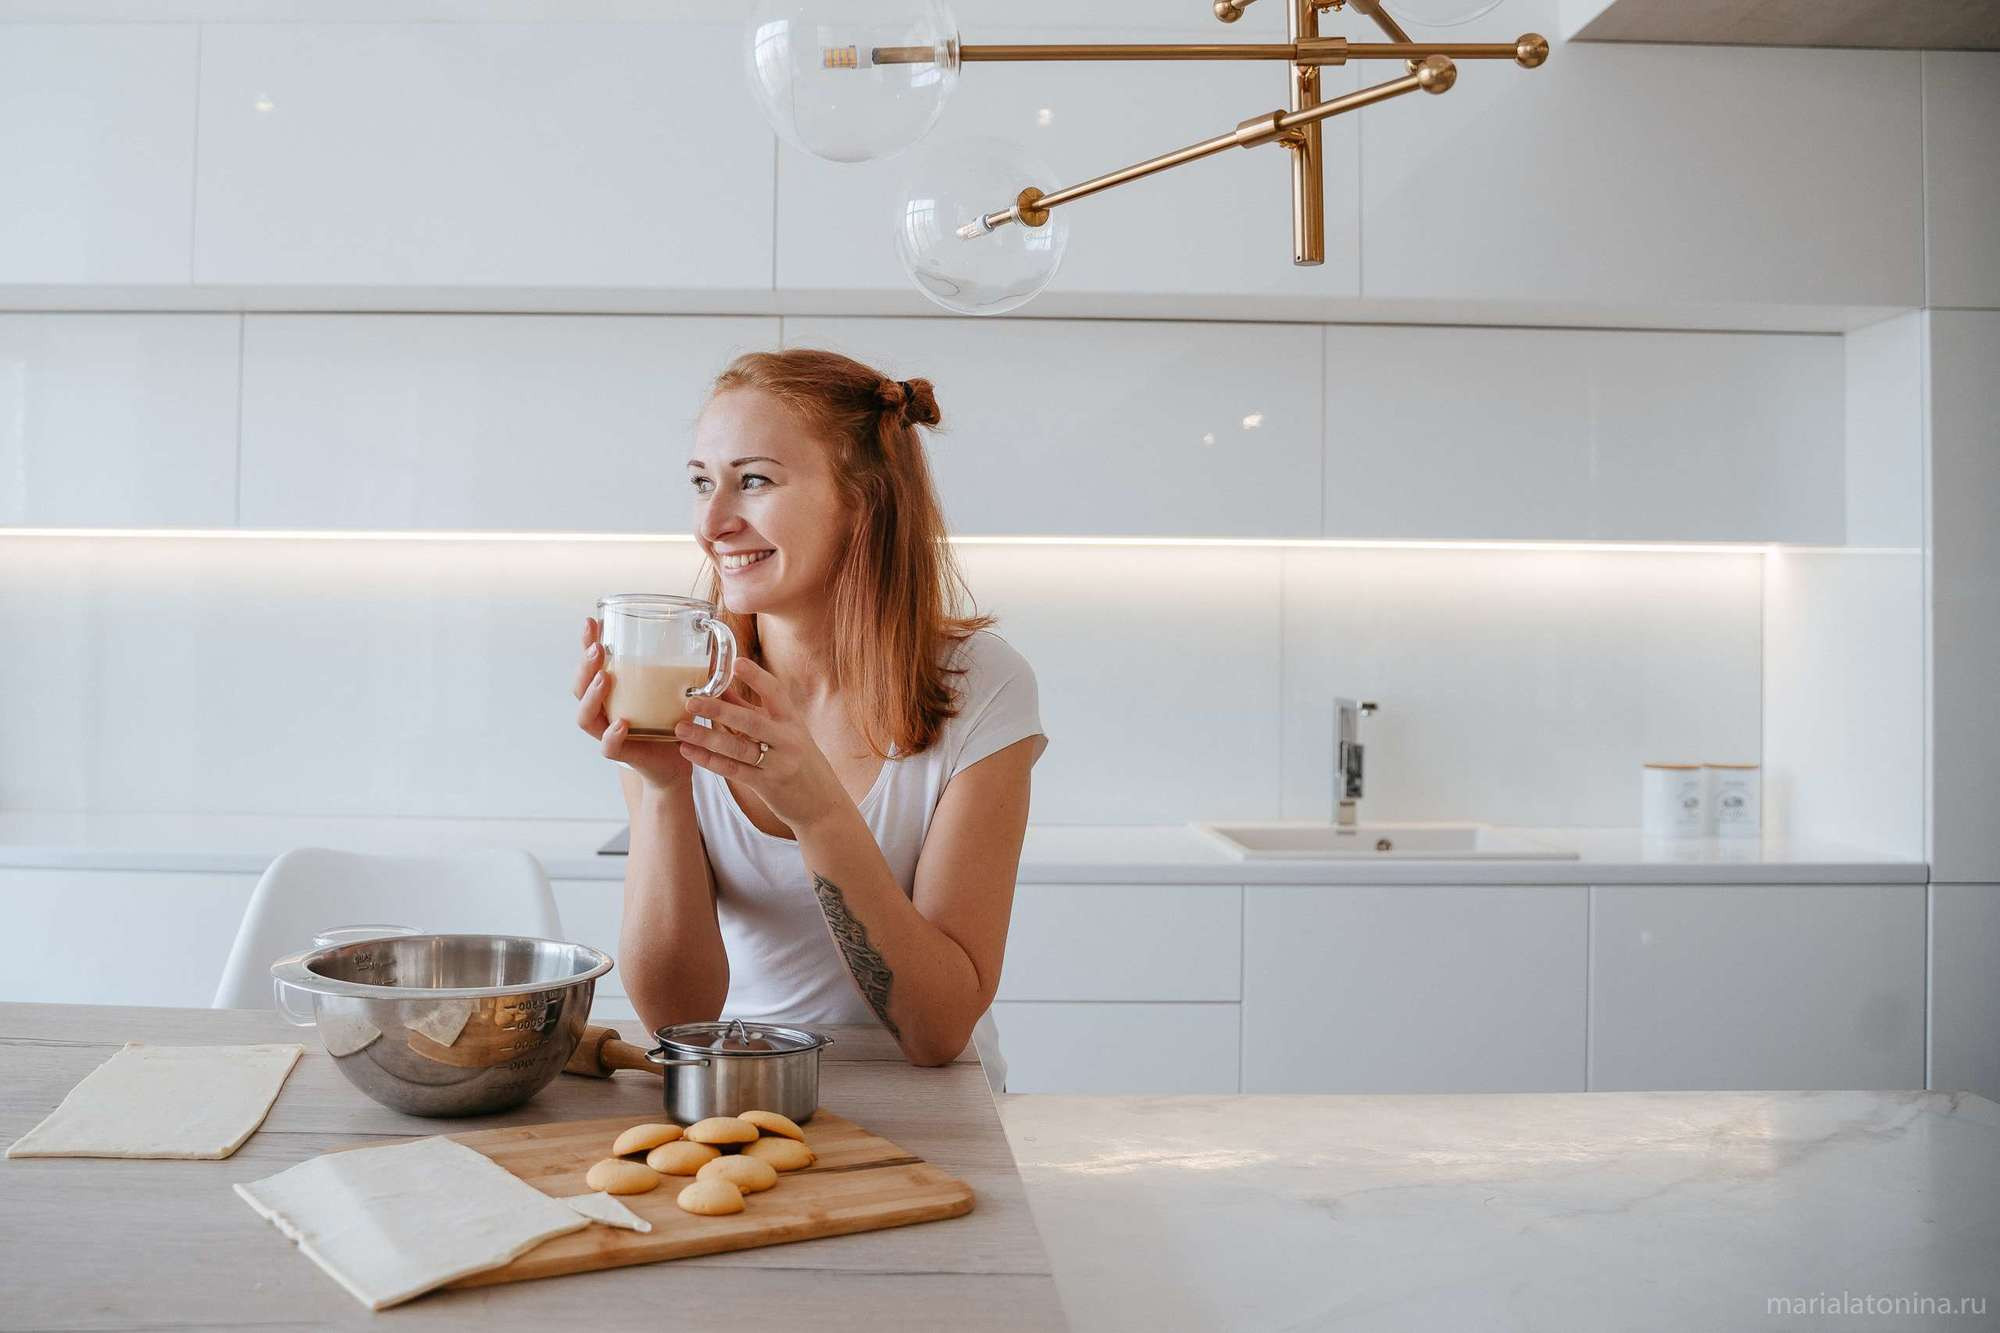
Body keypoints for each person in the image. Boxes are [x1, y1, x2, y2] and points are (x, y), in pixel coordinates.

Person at [572, 348, 1045, 1085]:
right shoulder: (681, 679)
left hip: (939, 1111)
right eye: (702, 483)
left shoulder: (981, 685)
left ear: (864, 497)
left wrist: (819, 812)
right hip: (744, 1087)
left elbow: (939, 1029)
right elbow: (677, 1018)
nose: (713, 522)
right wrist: (664, 788)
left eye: (753, 480)